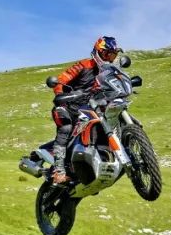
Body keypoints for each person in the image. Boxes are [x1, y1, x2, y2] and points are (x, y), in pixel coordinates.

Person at [48, 36, 121, 184]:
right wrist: (60, 98)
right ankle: (58, 171)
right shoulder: (84, 65)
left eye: (112, 55)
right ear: (98, 52)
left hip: (91, 109)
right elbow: (61, 80)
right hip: (69, 106)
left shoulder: (109, 72)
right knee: (65, 128)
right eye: (107, 54)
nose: (109, 58)